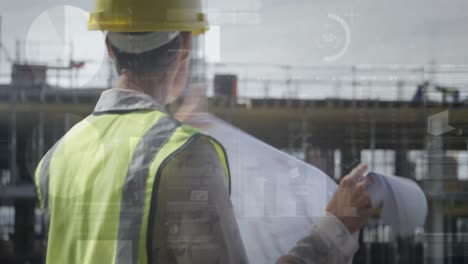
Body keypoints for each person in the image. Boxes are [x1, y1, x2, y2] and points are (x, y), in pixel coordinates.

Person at [33, 0, 373, 263]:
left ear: (108, 46)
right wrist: (335, 229)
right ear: (185, 46)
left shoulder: (56, 157)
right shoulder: (183, 155)